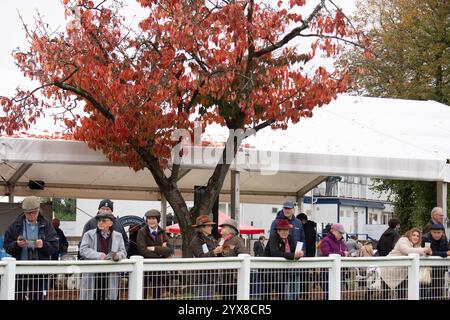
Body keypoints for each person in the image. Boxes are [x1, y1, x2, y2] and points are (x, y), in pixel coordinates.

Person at [3, 196, 59, 300]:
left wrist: (43, 245)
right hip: (19, 270)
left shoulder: (47, 225)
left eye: (33, 212)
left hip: (39, 270)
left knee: (38, 297)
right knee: (17, 296)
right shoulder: (15, 225)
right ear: (24, 211)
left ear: (38, 210)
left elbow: (55, 247)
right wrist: (16, 244)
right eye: (28, 212)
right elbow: (7, 246)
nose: (31, 215)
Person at [79, 212, 127, 300]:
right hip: (92, 273)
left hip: (110, 273)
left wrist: (117, 256)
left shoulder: (118, 236)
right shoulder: (88, 234)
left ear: (111, 223)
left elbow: (123, 252)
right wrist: (99, 255)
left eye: (104, 220)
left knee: (110, 295)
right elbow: (83, 250)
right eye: (99, 220)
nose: (101, 222)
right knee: (92, 295)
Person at [379, 227, 431, 300]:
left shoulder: (416, 246)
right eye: (414, 235)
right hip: (388, 270)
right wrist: (423, 250)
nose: (415, 237)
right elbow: (406, 250)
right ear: (409, 235)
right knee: (385, 294)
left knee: (402, 294)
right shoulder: (403, 240)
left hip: (401, 274)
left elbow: (421, 252)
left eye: (418, 236)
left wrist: (428, 252)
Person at [137, 209, 172, 299]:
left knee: (157, 293)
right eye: (149, 218)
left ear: (158, 220)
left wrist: (154, 248)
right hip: (145, 267)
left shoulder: (162, 232)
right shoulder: (142, 232)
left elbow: (169, 250)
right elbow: (142, 250)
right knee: (142, 292)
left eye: (153, 218)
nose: (151, 221)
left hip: (158, 267)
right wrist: (161, 253)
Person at [264, 219, 304, 300]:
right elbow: (275, 253)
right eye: (282, 230)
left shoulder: (289, 238)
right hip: (269, 271)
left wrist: (299, 253)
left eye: (286, 230)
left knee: (282, 294)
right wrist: (293, 255)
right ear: (278, 231)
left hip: (283, 271)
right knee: (267, 294)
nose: (285, 232)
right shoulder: (273, 237)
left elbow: (294, 250)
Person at [189, 215, 223, 299]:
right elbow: (200, 257)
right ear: (202, 227)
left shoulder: (211, 239)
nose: (211, 227)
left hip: (212, 276)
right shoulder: (195, 241)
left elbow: (217, 254)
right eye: (209, 226)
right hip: (201, 278)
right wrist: (214, 252)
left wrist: (222, 250)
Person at [218, 218, 248, 298]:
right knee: (224, 297)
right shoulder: (220, 240)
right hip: (221, 277)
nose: (221, 229)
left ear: (229, 229)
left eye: (223, 227)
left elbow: (243, 253)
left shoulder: (237, 240)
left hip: (233, 277)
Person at [421, 223, 450, 299]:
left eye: (439, 232)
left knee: (438, 290)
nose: (437, 235)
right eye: (434, 232)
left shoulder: (444, 239)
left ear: (442, 233)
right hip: (427, 269)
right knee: (424, 289)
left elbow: (448, 252)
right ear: (430, 232)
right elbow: (427, 253)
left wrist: (435, 253)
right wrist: (443, 253)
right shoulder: (425, 238)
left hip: (440, 269)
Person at [319, 223, 347, 299]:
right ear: (333, 231)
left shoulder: (342, 242)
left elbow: (344, 251)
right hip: (327, 271)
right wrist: (342, 254)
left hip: (340, 271)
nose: (341, 235)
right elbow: (326, 253)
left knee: (338, 292)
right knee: (328, 293)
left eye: (342, 233)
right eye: (340, 233)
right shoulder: (326, 240)